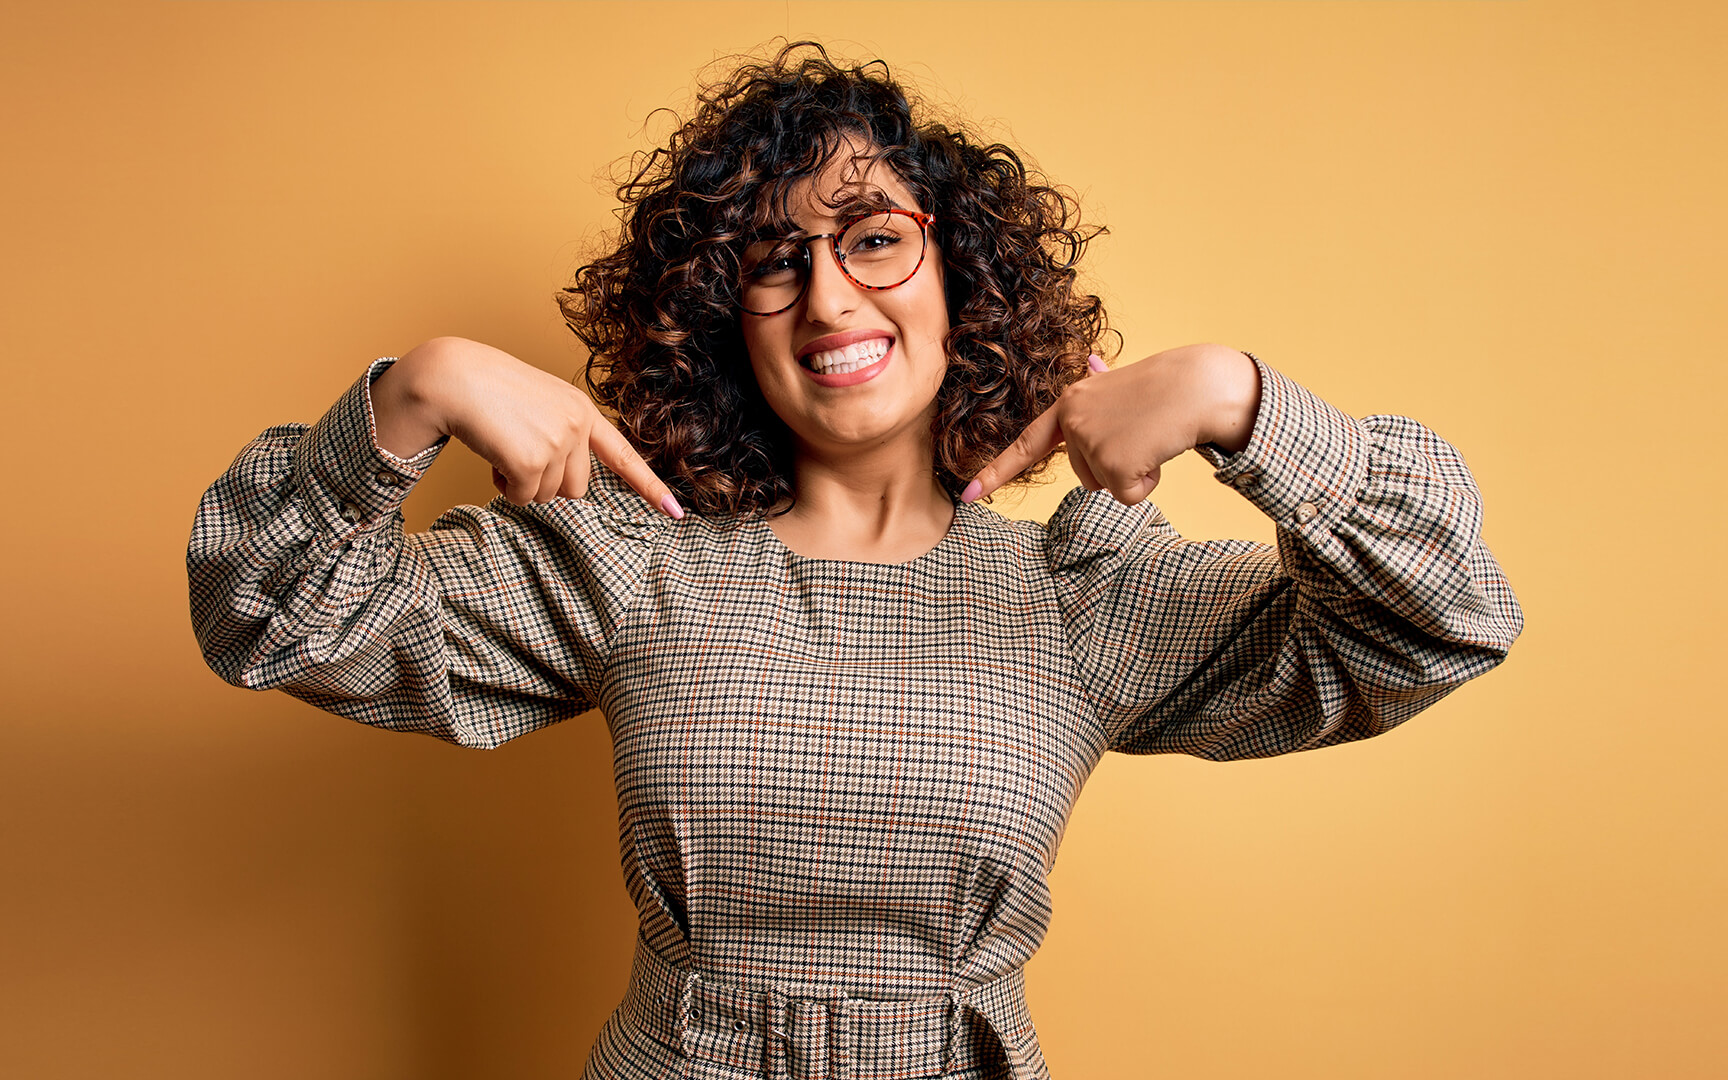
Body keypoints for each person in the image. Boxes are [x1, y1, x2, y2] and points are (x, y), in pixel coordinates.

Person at [188, 42, 1522, 1080]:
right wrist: (414, 393)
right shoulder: (636, 564)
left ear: (964, 280)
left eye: (874, 237)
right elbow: (276, 613)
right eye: (775, 260)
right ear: (728, 322)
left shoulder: (1080, 592)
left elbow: (1442, 620)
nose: (827, 297)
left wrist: (1247, 404)